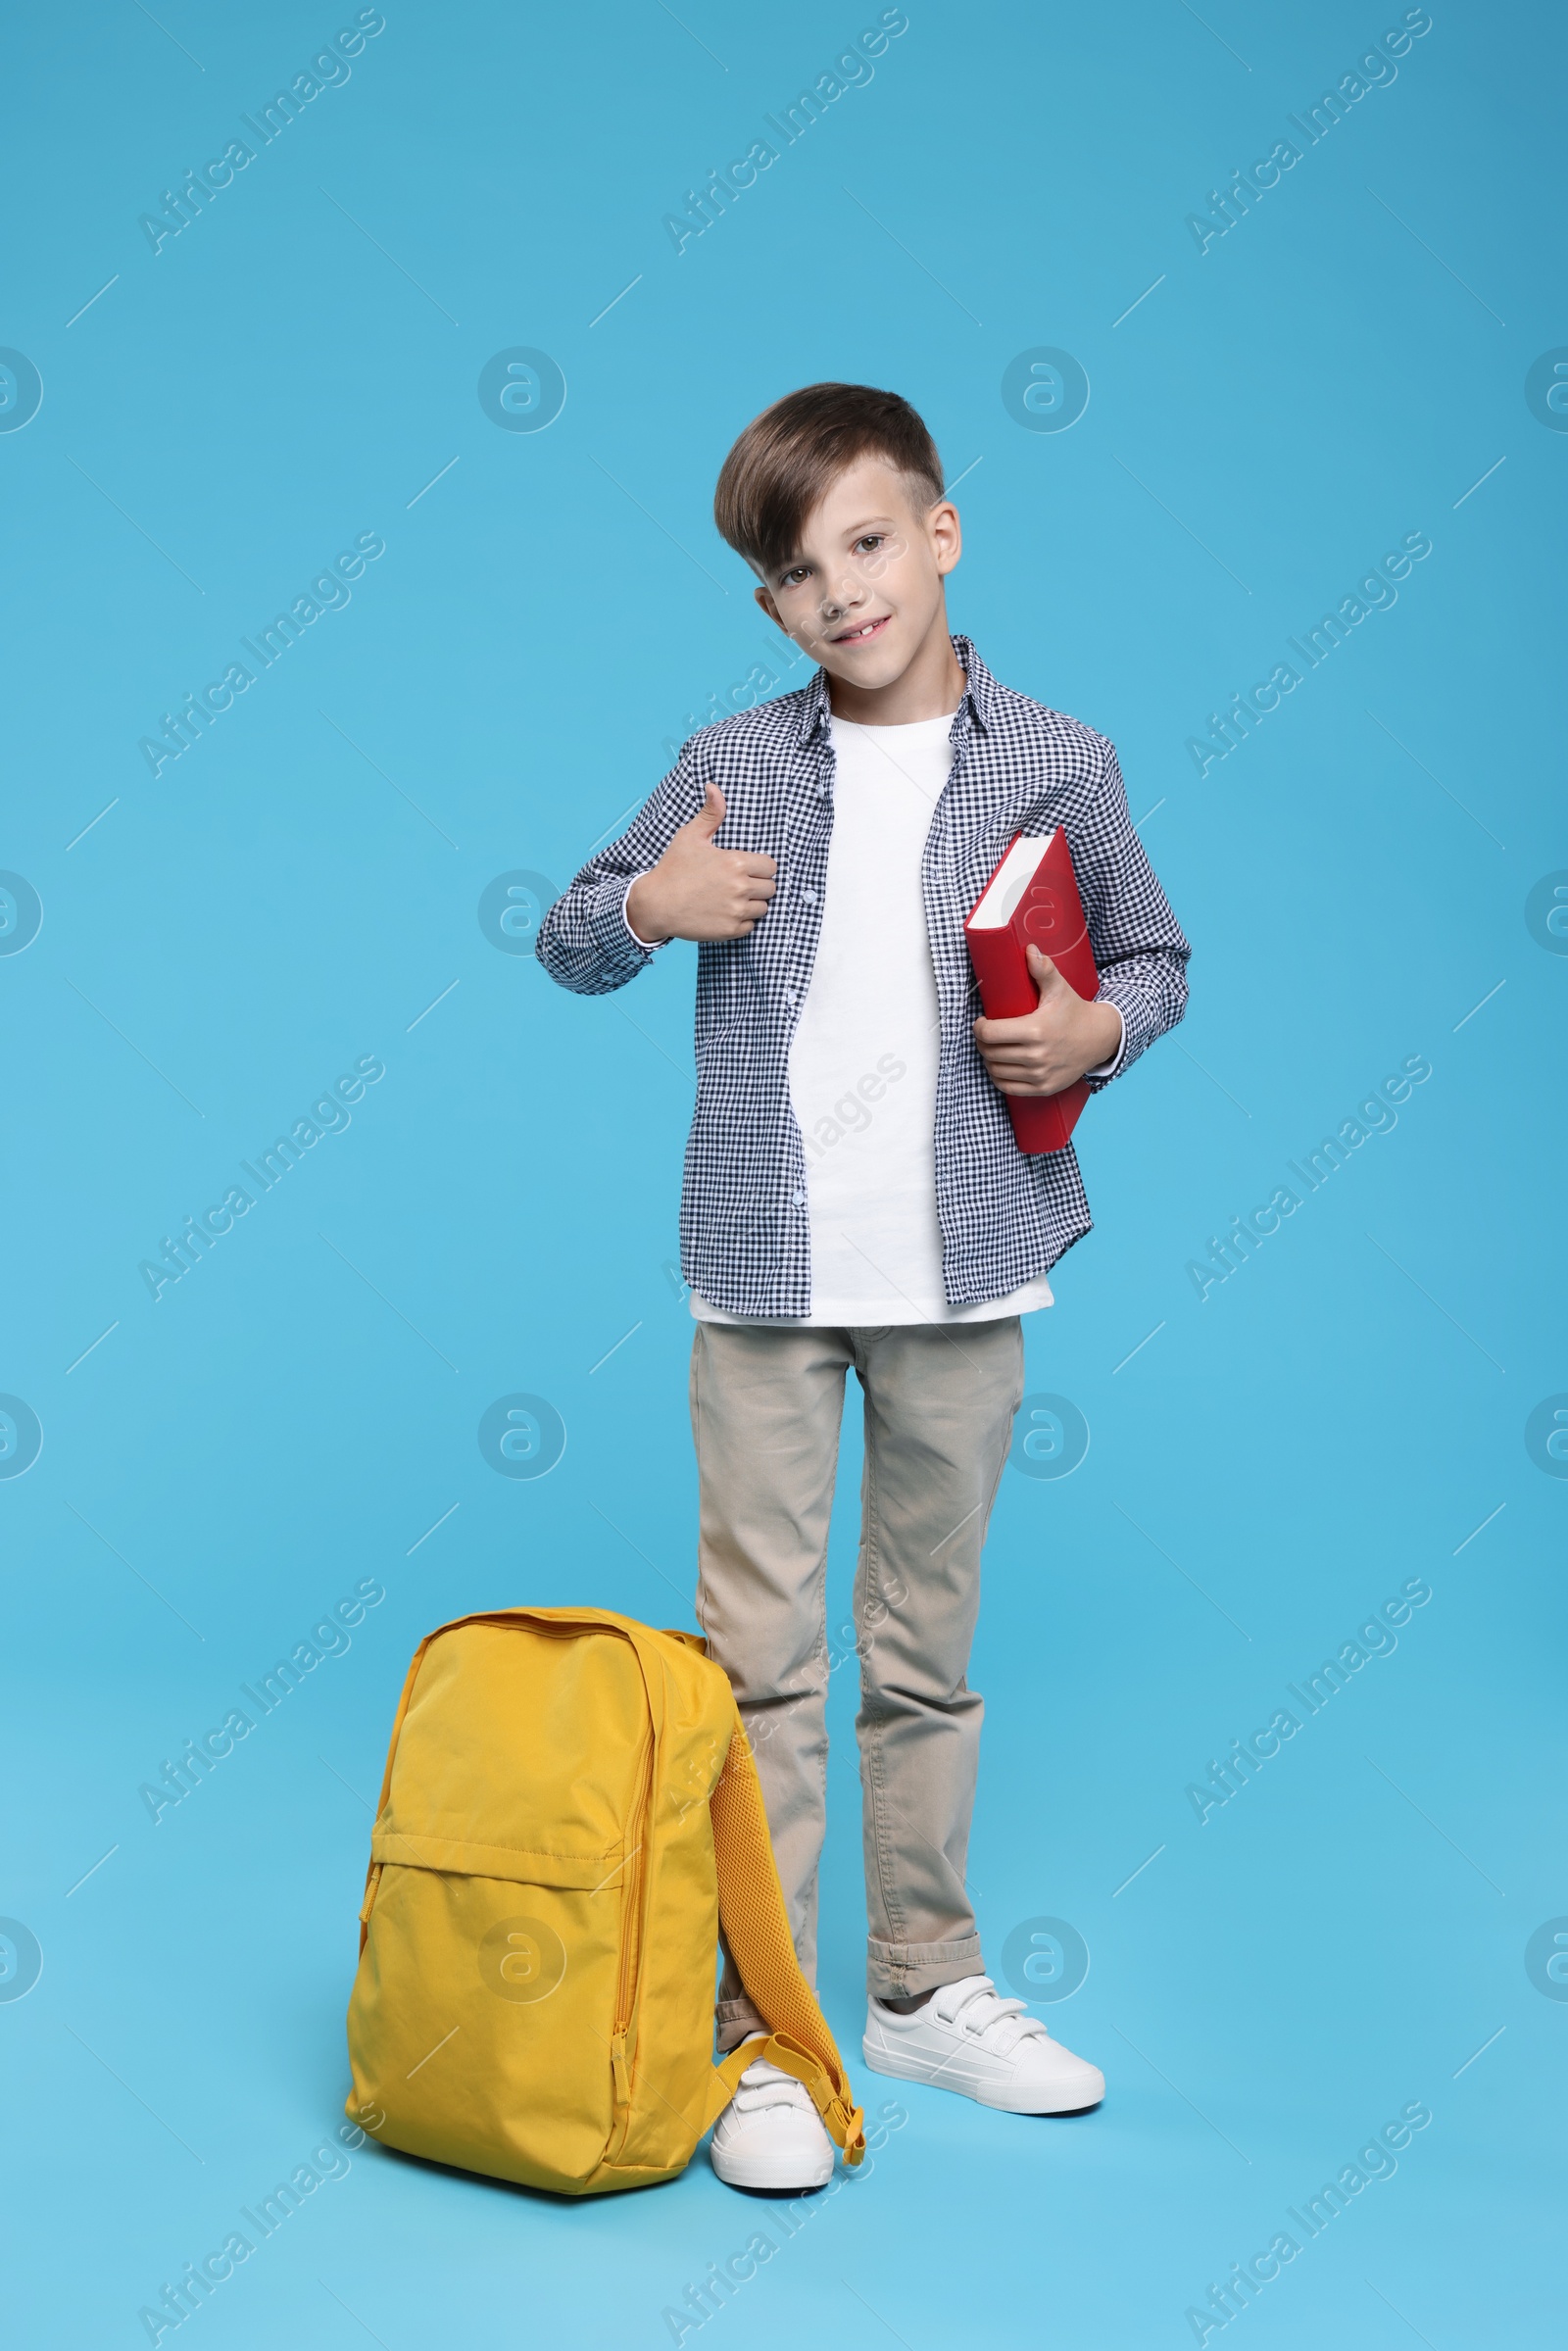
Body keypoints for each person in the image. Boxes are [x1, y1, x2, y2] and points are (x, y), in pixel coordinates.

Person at [537, 382, 1190, 2190]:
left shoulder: (1057, 755)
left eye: (872, 542)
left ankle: (923, 1985)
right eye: (800, 570)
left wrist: (1099, 1028)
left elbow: (1155, 952)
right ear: (769, 607)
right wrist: (648, 904)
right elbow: (571, 928)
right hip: (761, 1262)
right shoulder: (733, 758)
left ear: (943, 532)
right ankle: (759, 2035)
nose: (845, 591)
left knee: (925, 1655)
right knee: (755, 1662)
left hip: (971, 1262)